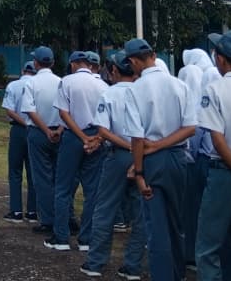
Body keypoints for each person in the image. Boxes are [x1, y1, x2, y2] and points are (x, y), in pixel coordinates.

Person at [121, 37, 196, 281]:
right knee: (176, 223)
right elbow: (191, 127)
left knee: (156, 226)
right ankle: (178, 274)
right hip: (177, 157)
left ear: (133, 61)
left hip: (150, 161)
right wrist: (164, 144)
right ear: (153, 54)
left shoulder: (135, 90)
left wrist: (139, 172)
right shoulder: (179, 85)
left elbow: (136, 136)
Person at [81, 52, 147, 280]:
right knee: (141, 213)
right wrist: (137, 148)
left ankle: (95, 263)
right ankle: (132, 266)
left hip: (119, 155)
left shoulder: (109, 94)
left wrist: (128, 146)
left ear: (115, 71)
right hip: (145, 155)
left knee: (105, 209)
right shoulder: (143, 92)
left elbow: (103, 130)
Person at [194, 30, 231, 281]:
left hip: (226, 171)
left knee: (208, 245)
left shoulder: (215, 88)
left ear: (220, 59)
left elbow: (216, 139)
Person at [49, 50, 107, 252]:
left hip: (74, 136)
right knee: (92, 190)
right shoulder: (103, 85)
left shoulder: (67, 81)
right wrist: (96, 139)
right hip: (96, 137)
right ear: (89, 65)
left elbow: (63, 113)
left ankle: (61, 237)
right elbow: (106, 118)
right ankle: (86, 239)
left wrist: (81, 137)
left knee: (63, 187)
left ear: (74, 64)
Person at [179, 44, 216, 269]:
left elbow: (194, 137)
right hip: (228, 162)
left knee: (193, 210)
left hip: (200, 161)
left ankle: (192, 255)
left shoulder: (199, 103)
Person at [19, 46, 62, 236]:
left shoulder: (31, 83)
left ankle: (47, 219)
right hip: (61, 133)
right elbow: (66, 110)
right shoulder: (61, 82)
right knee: (61, 177)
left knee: (42, 177)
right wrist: (58, 130)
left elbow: (29, 109)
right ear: (52, 63)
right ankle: (64, 217)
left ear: (36, 63)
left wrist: (45, 130)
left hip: (38, 132)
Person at [1, 61, 38, 223]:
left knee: (15, 171)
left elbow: (9, 110)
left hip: (18, 130)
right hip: (36, 129)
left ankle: (16, 211)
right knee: (33, 172)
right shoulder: (39, 85)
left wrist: (24, 123)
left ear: (23, 70)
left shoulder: (13, 85)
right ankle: (32, 211)